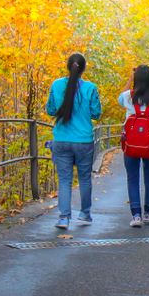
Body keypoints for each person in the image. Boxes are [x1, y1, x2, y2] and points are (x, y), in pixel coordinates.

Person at [46, 52, 102, 229]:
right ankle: (85, 214)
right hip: (83, 140)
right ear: (83, 69)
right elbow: (96, 114)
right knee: (84, 179)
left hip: (61, 139)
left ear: (67, 66)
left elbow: (50, 109)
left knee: (64, 180)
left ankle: (64, 217)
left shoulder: (56, 85)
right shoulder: (90, 88)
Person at [117, 65, 149, 227]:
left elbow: (119, 98)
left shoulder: (128, 96)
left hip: (131, 143)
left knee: (132, 178)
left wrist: (130, 78)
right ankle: (148, 212)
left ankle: (136, 216)